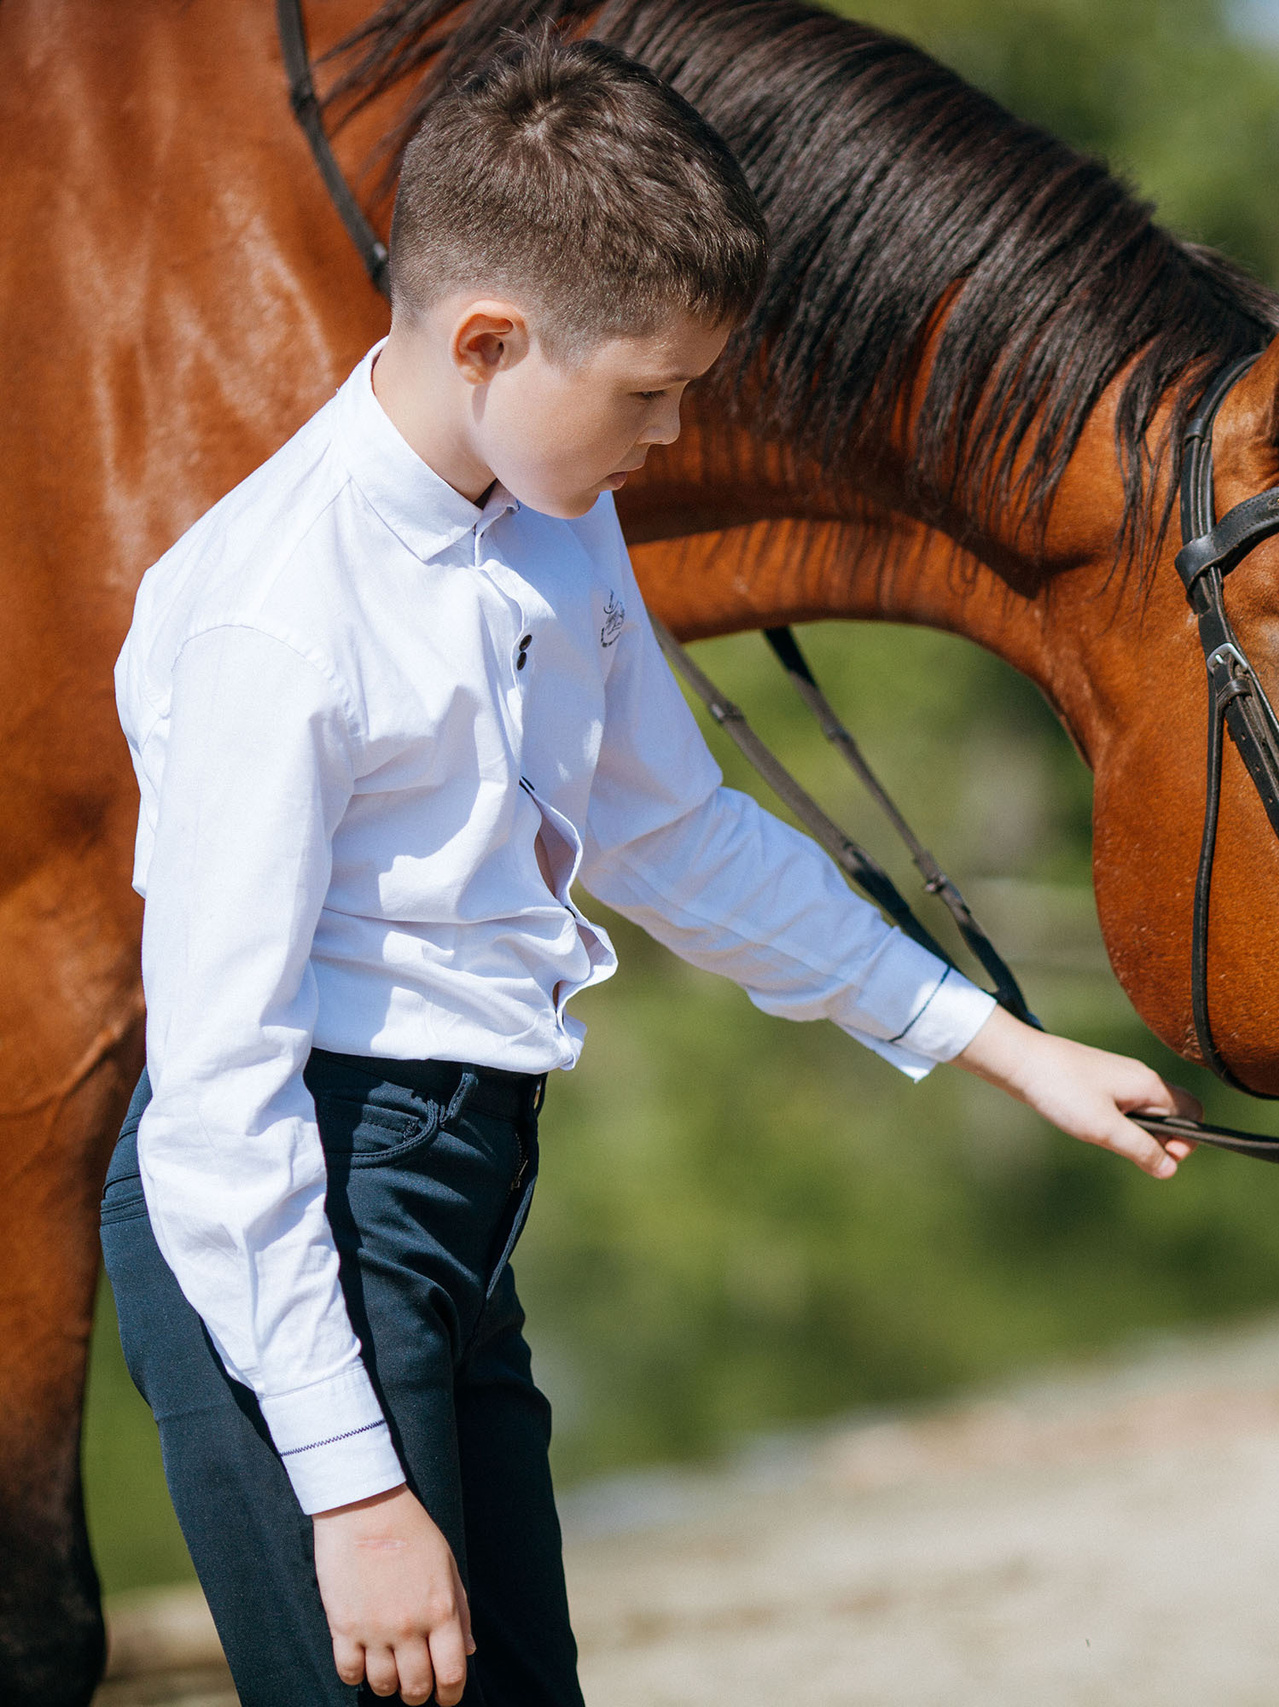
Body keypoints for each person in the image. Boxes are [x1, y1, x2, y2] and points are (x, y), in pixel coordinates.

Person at [103, 32, 1196, 1707]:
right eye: (647, 393)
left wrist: (1007, 1045)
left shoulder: (552, 511)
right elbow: (213, 1099)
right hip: (290, 1206)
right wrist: (353, 1488)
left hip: (459, 1181)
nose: (675, 436)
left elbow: (674, 837)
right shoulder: (278, 616)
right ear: (489, 341)